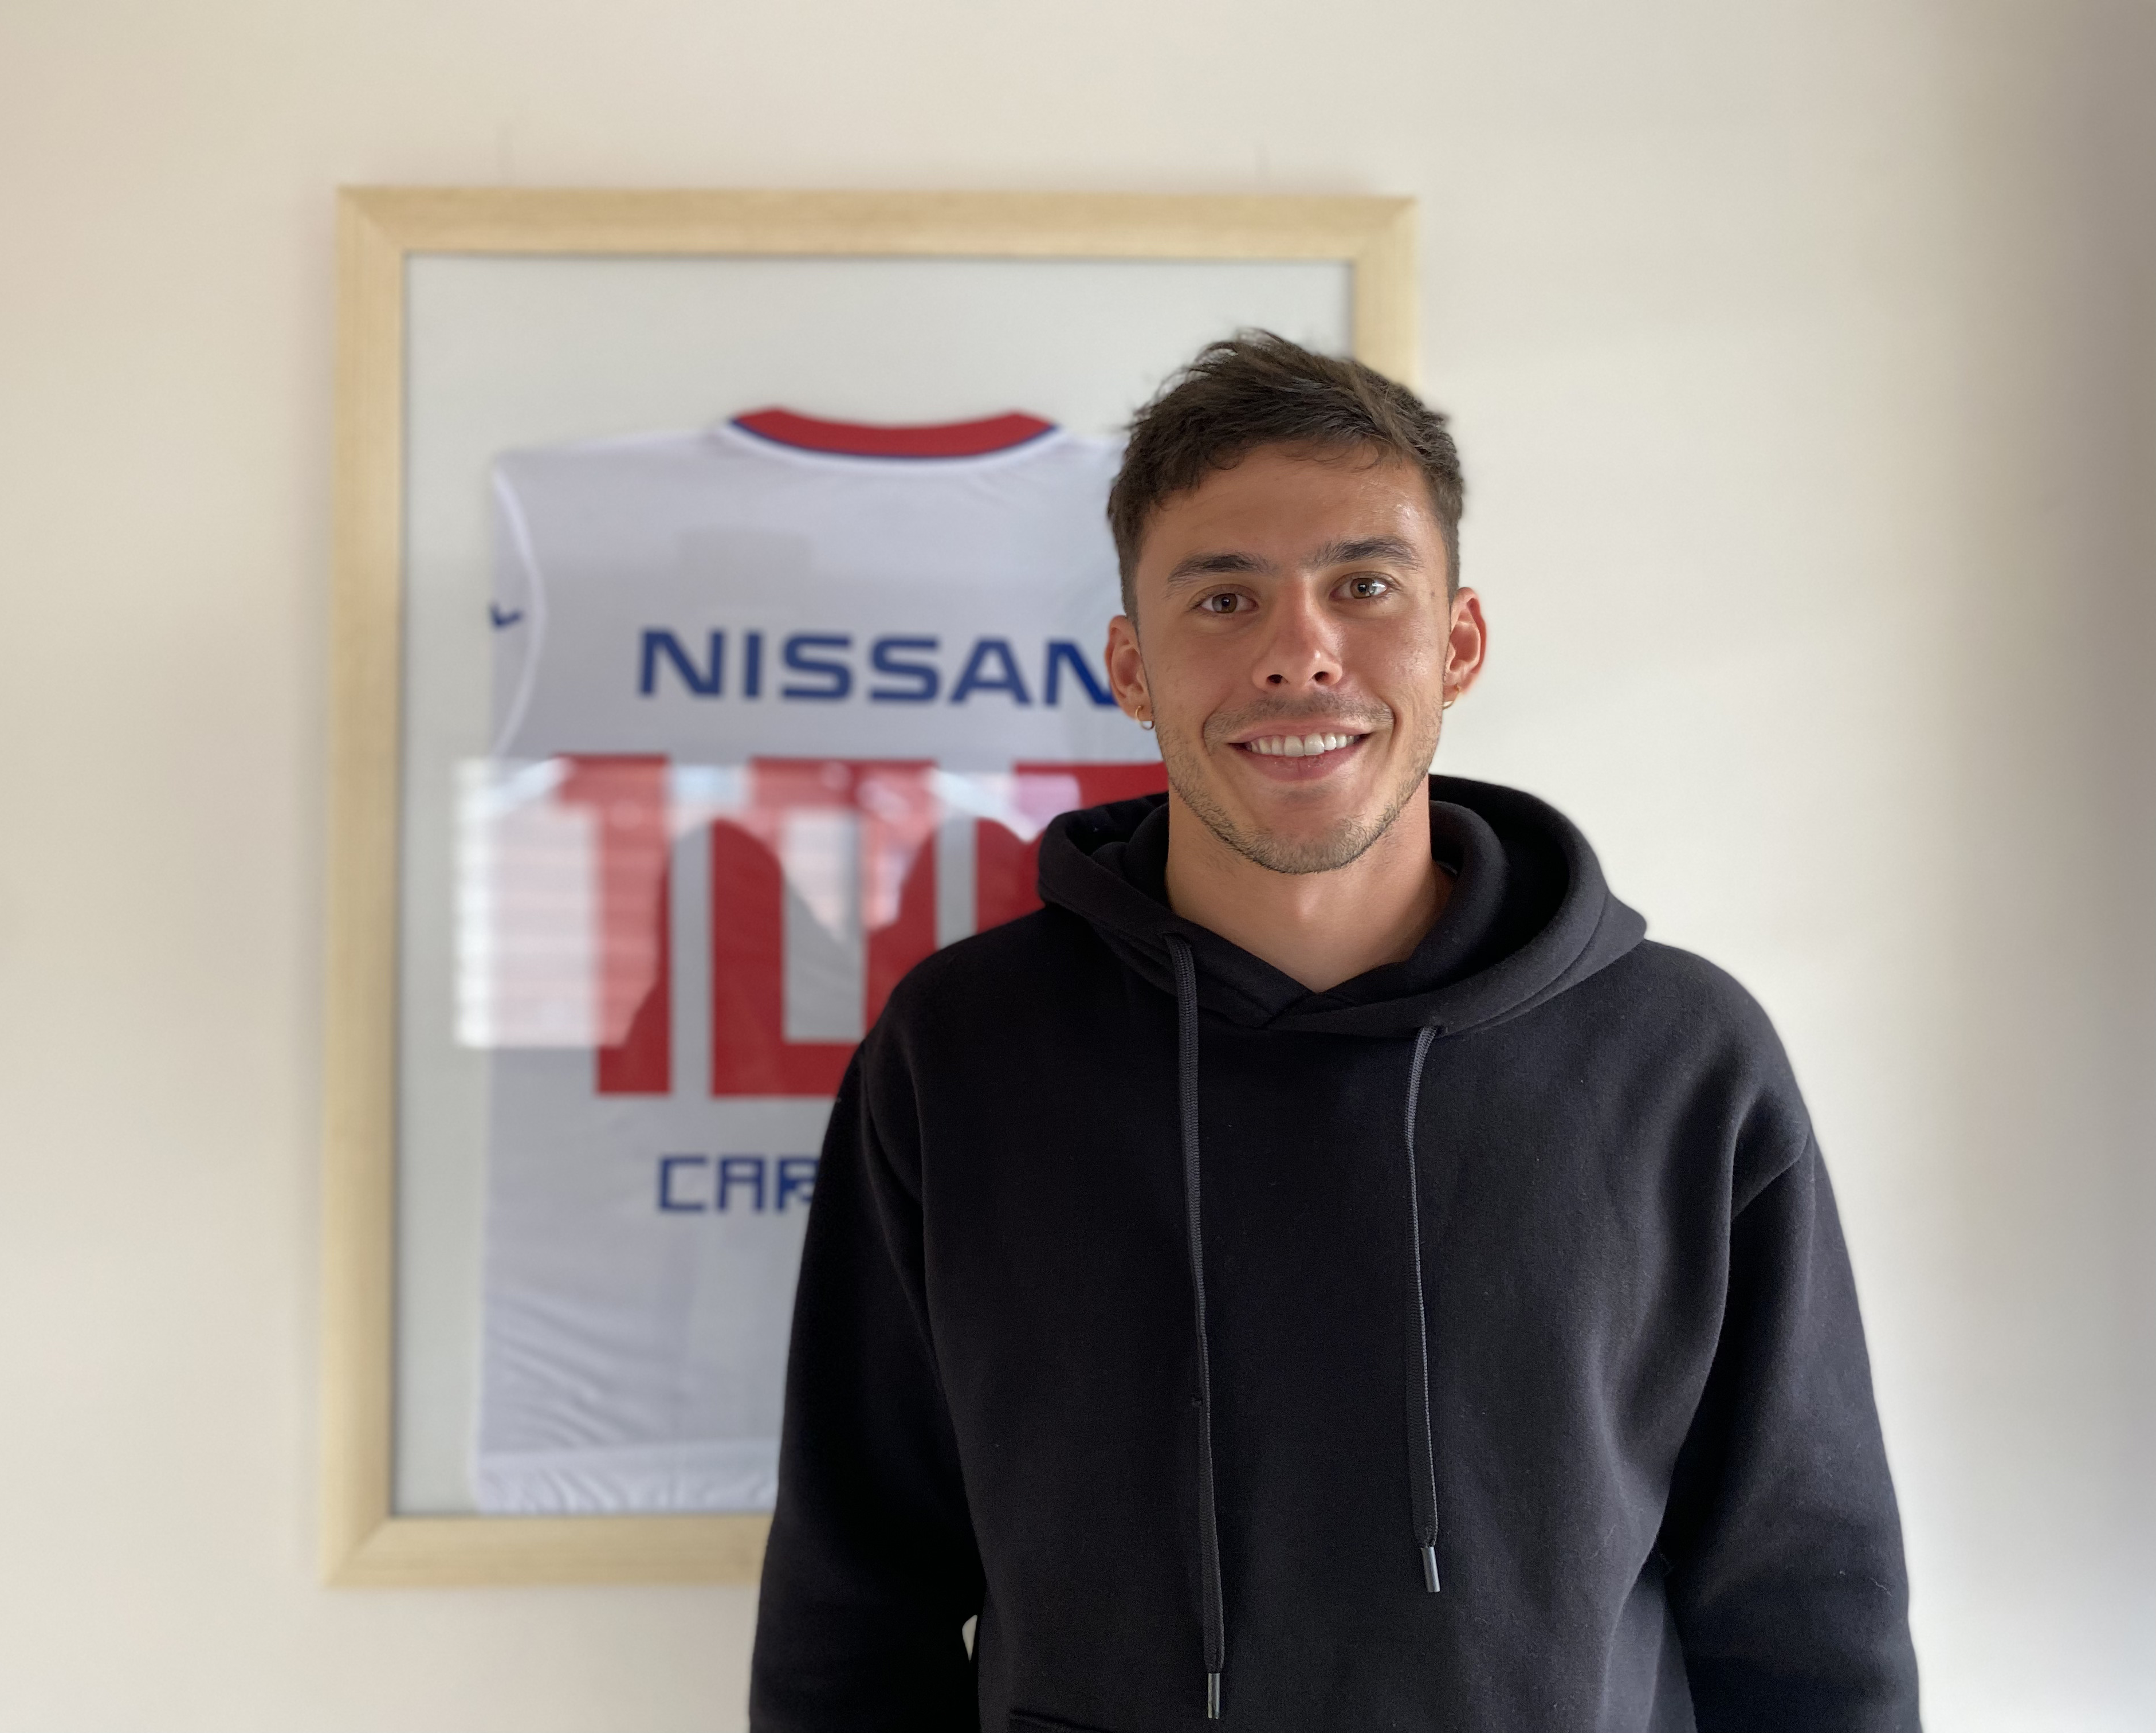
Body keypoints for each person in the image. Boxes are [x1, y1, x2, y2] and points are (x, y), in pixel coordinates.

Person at [747, 332, 1918, 1731]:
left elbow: (1810, 1612)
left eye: (1363, 587)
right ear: (1130, 666)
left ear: (1459, 641)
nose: (1300, 656)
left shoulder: (1681, 1060)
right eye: (1224, 598)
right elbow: (854, 1603)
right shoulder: (961, 1056)